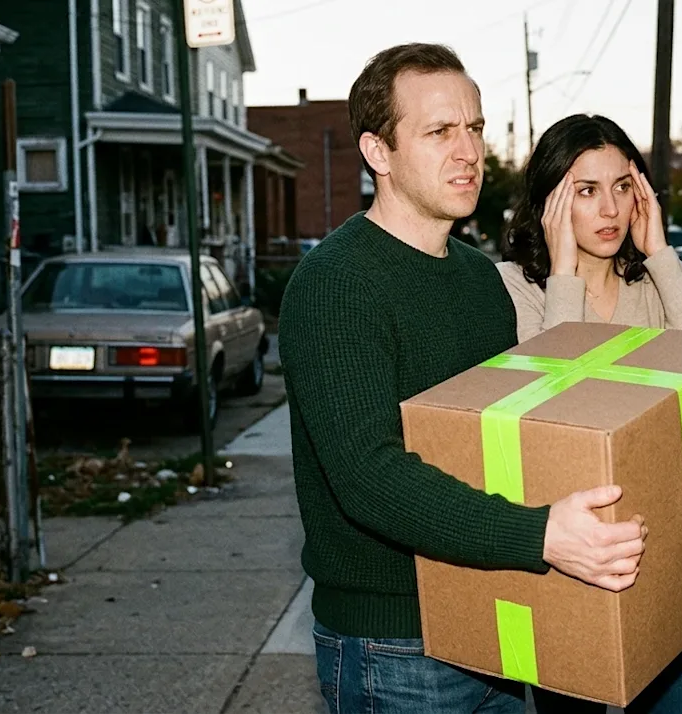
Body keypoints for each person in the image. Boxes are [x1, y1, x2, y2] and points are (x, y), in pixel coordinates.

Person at [277, 44, 650, 714]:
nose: (469, 151)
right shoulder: (335, 283)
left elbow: (510, 437)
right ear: (378, 151)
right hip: (395, 646)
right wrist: (542, 536)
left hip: (491, 618)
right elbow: (368, 475)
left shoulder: (479, 278)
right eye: (439, 132)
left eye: (474, 128)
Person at [498, 113, 682, 713]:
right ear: (549, 203)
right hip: (568, 559)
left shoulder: (652, 286)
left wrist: (661, 254)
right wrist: (564, 276)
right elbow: (552, 405)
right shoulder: (513, 288)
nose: (610, 209)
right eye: (586, 190)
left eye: (623, 187)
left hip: (659, 548)